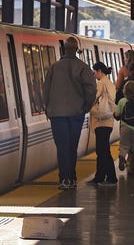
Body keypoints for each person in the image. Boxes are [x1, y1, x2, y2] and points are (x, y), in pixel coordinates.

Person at [43, 36, 97, 190]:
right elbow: (91, 90)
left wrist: (48, 108)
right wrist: (86, 107)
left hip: (57, 115)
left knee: (62, 147)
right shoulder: (83, 67)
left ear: (64, 49)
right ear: (76, 50)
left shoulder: (54, 67)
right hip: (76, 113)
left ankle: (64, 179)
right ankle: (71, 178)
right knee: (72, 146)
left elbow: (45, 90)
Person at [88, 61, 118, 186]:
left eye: (95, 72)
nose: (94, 75)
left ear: (99, 71)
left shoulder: (101, 83)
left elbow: (94, 98)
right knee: (102, 150)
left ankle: (111, 178)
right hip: (108, 121)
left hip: (101, 121)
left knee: (103, 151)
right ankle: (99, 177)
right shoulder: (110, 83)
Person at [114, 79, 134, 172]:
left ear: (124, 90)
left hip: (125, 127)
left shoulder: (122, 101)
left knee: (124, 145)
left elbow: (117, 114)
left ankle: (122, 157)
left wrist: (115, 114)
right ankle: (132, 167)